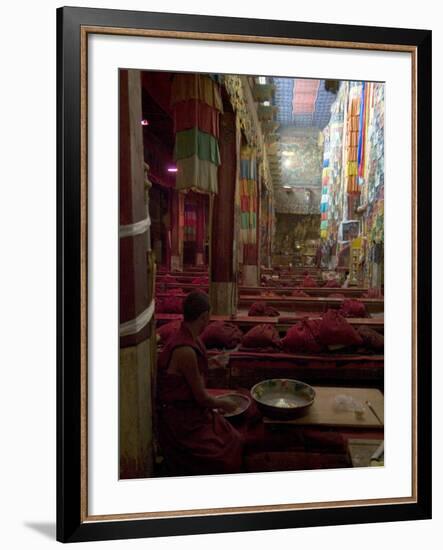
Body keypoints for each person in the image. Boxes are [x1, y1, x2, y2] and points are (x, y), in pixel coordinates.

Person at [155, 291, 244, 476]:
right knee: (225, 452)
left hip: (193, 409)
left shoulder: (191, 337)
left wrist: (213, 362)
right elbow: (202, 398)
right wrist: (225, 403)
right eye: (209, 316)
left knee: (233, 436)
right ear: (204, 316)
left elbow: (190, 372)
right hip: (182, 420)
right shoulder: (185, 349)